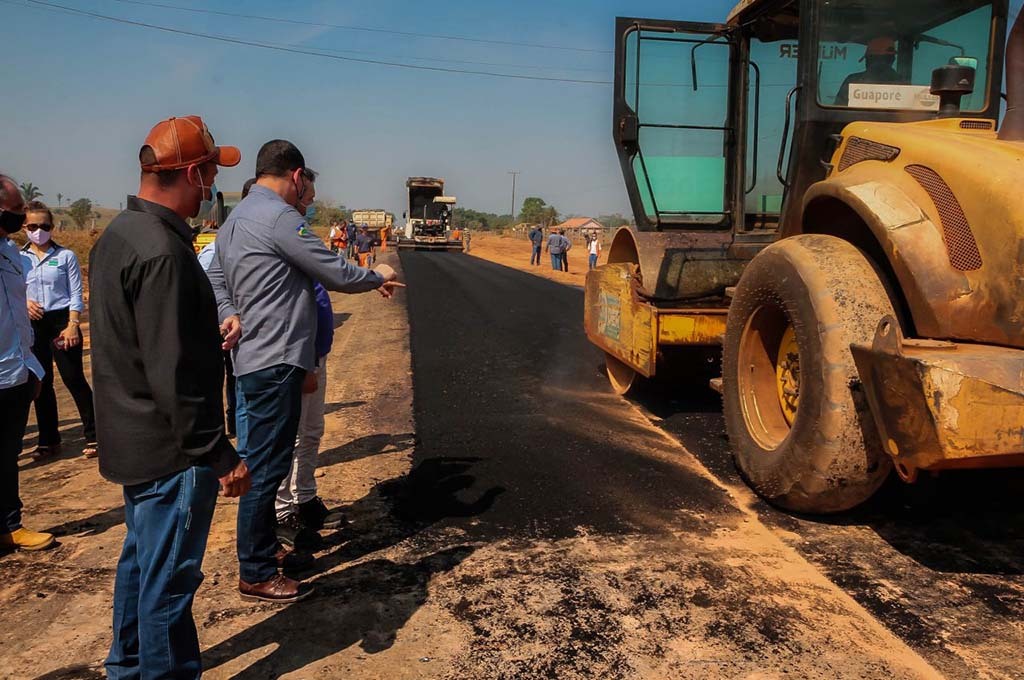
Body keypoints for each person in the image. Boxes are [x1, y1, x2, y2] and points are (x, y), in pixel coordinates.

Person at [207, 139, 403, 604]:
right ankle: (255, 570)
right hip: (277, 362)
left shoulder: (235, 220)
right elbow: (332, 270)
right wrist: (376, 274)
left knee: (259, 459)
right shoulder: (280, 217)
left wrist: (228, 310)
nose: (306, 197)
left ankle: (262, 549)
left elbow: (215, 279)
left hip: (251, 360)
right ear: (296, 177)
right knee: (267, 466)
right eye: (305, 187)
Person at [89, 116, 251, 679]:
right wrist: (219, 453)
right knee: (170, 585)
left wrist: (206, 334)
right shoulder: (165, 251)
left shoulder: (119, 235)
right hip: (172, 452)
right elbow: (175, 377)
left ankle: (126, 668)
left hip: (134, 439)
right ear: (191, 173)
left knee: (140, 565)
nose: (213, 184)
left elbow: (144, 341)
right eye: (210, 171)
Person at [20, 201, 97, 459]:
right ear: (24, 227)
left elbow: (76, 292)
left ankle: (94, 435)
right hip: (33, 324)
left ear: (52, 227)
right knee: (41, 383)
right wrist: (25, 303)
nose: (38, 230)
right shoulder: (18, 259)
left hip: (61, 321)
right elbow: (11, 290)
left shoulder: (66, 257)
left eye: (44, 226)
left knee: (73, 378)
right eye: (33, 226)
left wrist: (73, 324)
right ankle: (49, 439)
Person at [0, 174, 52, 553]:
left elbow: (18, 314)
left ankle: (9, 526)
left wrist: (31, 366)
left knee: (7, 455)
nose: (21, 218)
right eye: (16, 211)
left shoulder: (12, 256)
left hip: (15, 372)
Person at [835, 37, 902, 106]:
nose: (867, 62)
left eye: (868, 59)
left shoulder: (852, 80)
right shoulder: (903, 83)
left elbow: (836, 112)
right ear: (892, 59)